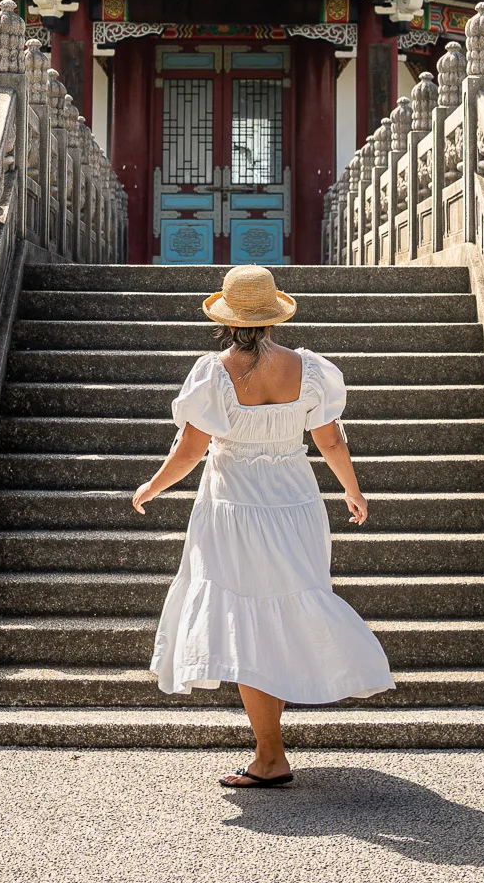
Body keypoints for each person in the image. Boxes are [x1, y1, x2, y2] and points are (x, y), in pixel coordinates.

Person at [132, 263, 394, 788]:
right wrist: (351, 487)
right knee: (283, 609)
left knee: (245, 621)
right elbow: (331, 440)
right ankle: (270, 748)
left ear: (227, 320)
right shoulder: (310, 369)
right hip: (296, 502)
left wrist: (152, 487)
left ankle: (270, 755)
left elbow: (190, 450)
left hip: (234, 505)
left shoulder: (212, 371)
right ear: (274, 316)